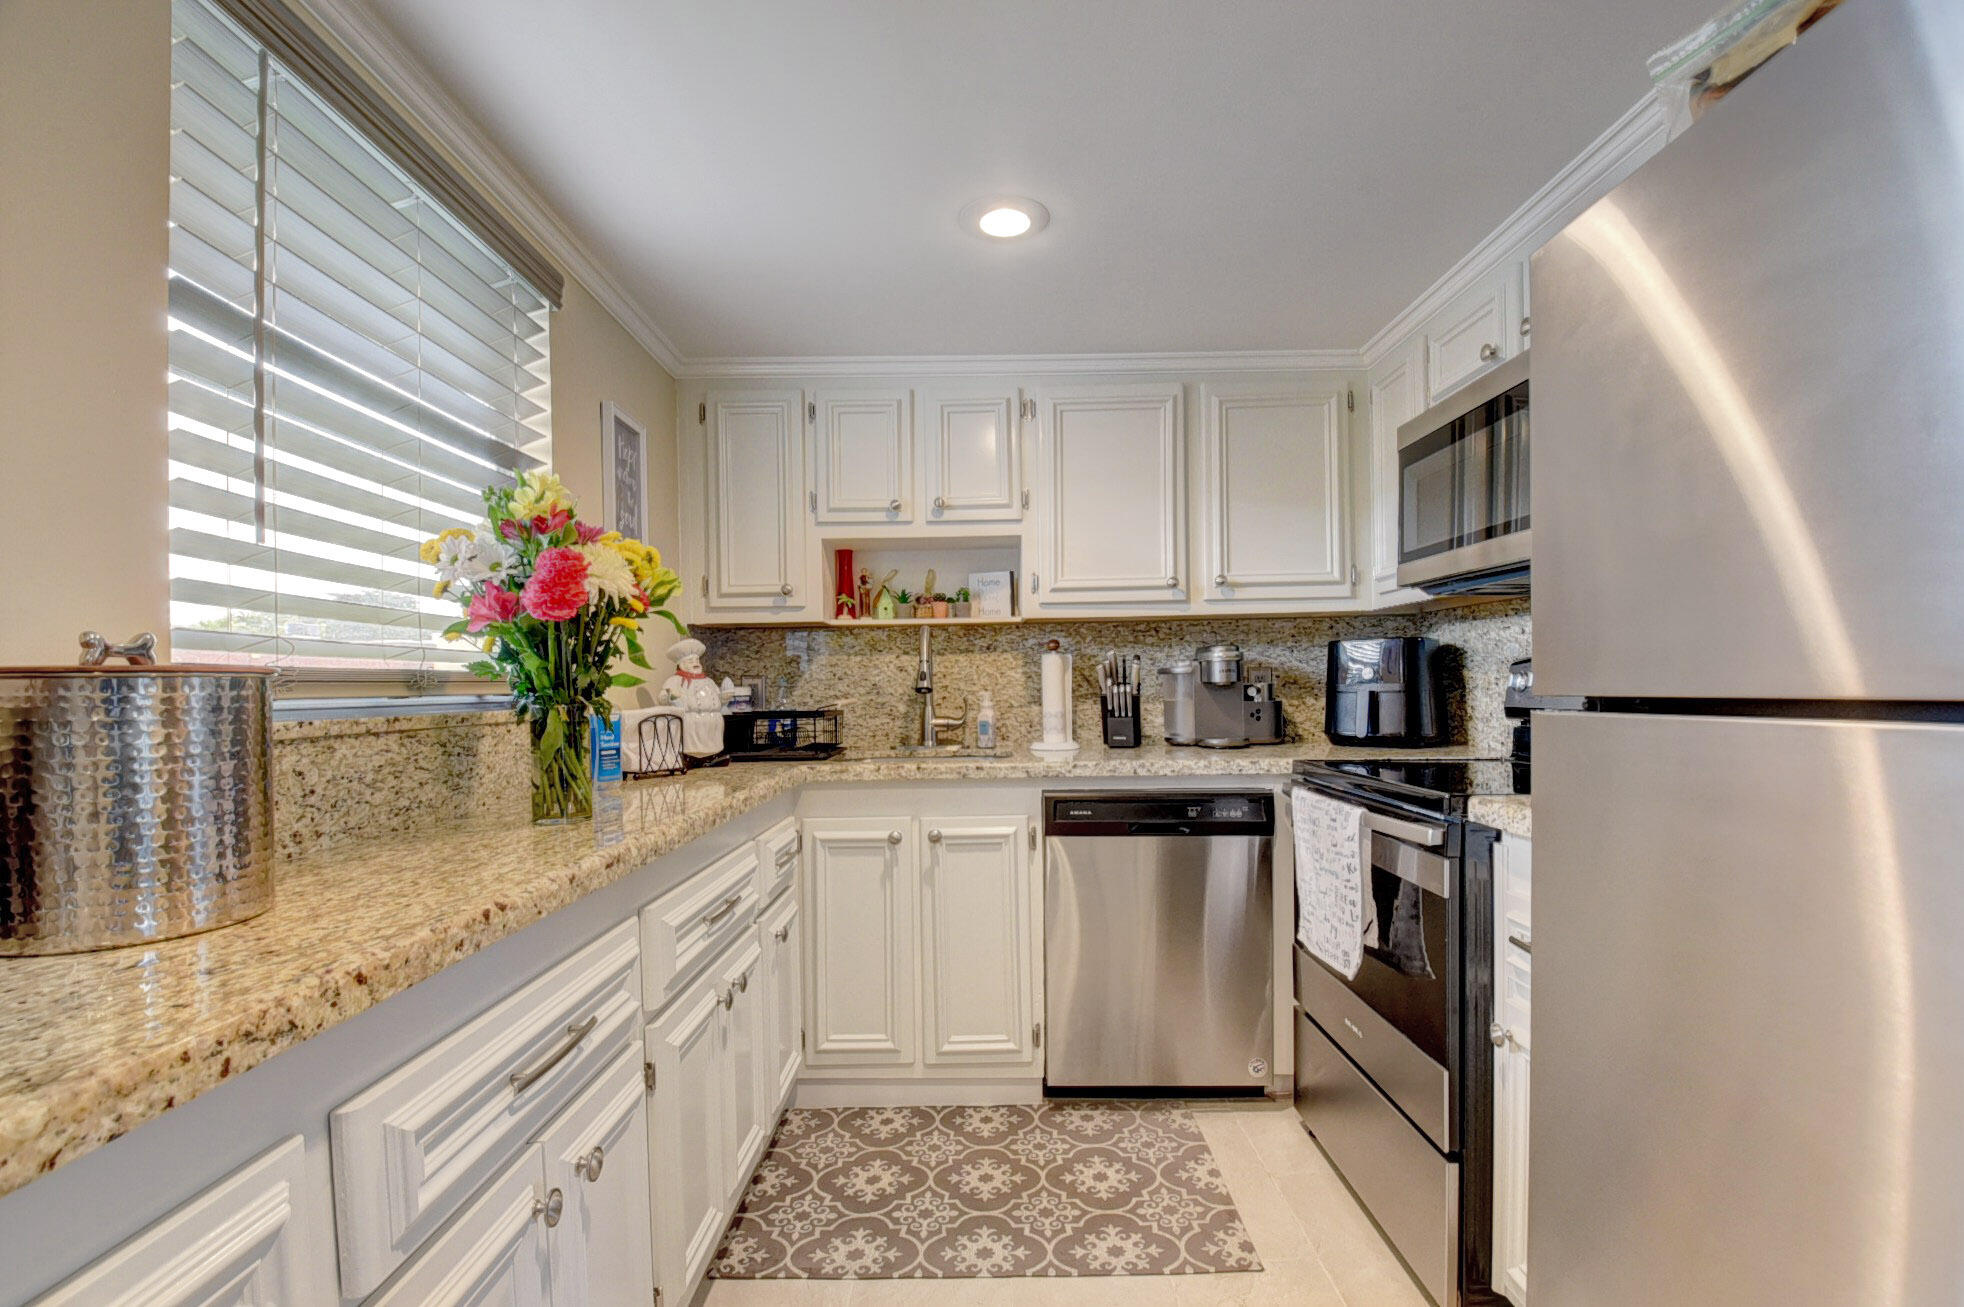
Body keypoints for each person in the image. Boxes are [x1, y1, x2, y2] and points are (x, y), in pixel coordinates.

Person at [659, 638, 725, 758]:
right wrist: (673, 696)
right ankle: (689, 757)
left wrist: (724, 698)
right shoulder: (675, 681)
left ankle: (712, 755)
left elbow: (719, 698)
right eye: (690, 660)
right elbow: (664, 698)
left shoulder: (708, 681)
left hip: (712, 723)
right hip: (691, 722)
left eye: (697, 660)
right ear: (681, 664)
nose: (695, 663)